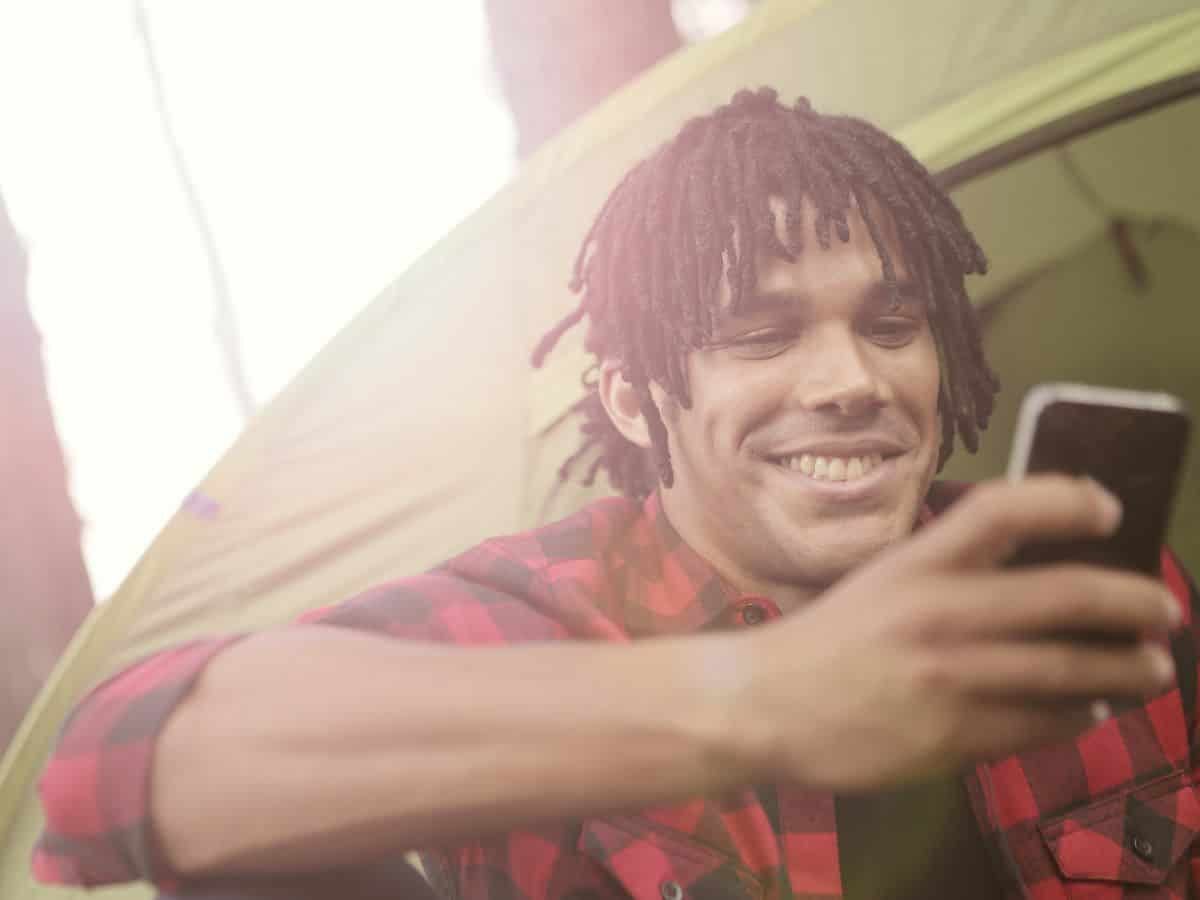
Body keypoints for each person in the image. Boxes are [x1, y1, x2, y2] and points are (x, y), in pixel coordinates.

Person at [34, 88, 1196, 900]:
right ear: (638, 401)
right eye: (760, 334)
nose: (852, 382)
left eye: (893, 326)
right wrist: (764, 697)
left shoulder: (1075, 592)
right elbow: (117, 762)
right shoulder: (546, 613)